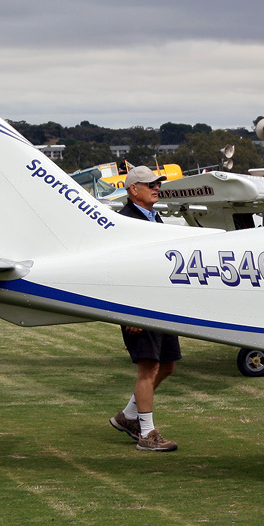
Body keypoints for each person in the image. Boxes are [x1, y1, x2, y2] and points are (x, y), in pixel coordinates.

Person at [110, 166, 181, 452]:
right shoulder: (126, 221)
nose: (156, 187)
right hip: (140, 307)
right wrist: (131, 313)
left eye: (157, 183)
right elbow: (122, 270)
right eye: (149, 184)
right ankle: (147, 434)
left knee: (167, 366)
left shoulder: (153, 217)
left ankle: (128, 416)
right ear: (132, 190)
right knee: (148, 369)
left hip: (159, 304)